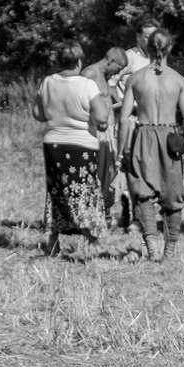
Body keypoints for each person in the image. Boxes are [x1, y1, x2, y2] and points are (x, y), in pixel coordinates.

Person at [118, 28, 184, 262]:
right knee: (173, 196)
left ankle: (151, 245)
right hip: (169, 140)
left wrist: (122, 150)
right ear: (170, 48)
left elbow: (124, 119)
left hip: (143, 136)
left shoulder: (135, 78)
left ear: (147, 47)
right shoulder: (178, 80)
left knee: (142, 195)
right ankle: (169, 250)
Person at [32, 40, 110, 255]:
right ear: (78, 61)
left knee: (57, 193)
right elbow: (101, 116)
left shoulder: (47, 82)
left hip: (54, 144)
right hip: (81, 145)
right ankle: (91, 241)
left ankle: (53, 241)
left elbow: (38, 114)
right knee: (83, 193)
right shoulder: (87, 85)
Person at [109, 17, 160, 226]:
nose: (151, 41)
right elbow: (111, 84)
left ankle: (143, 213)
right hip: (129, 120)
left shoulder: (158, 59)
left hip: (151, 121)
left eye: (154, 36)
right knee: (127, 164)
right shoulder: (129, 58)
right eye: (146, 36)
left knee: (149, 166)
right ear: (138, 36)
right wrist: (124, 104)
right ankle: (128, 212)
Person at [81, 47, 128, 221]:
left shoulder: (103, 76)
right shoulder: (90, 74)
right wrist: (95, 120)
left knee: (108, 173)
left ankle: (103, 210)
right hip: (95, 134)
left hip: (108, 134)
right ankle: (93, 212)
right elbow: (81, 102)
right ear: (110, 61)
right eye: (118, 68)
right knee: (97, 173)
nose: (119, 72)